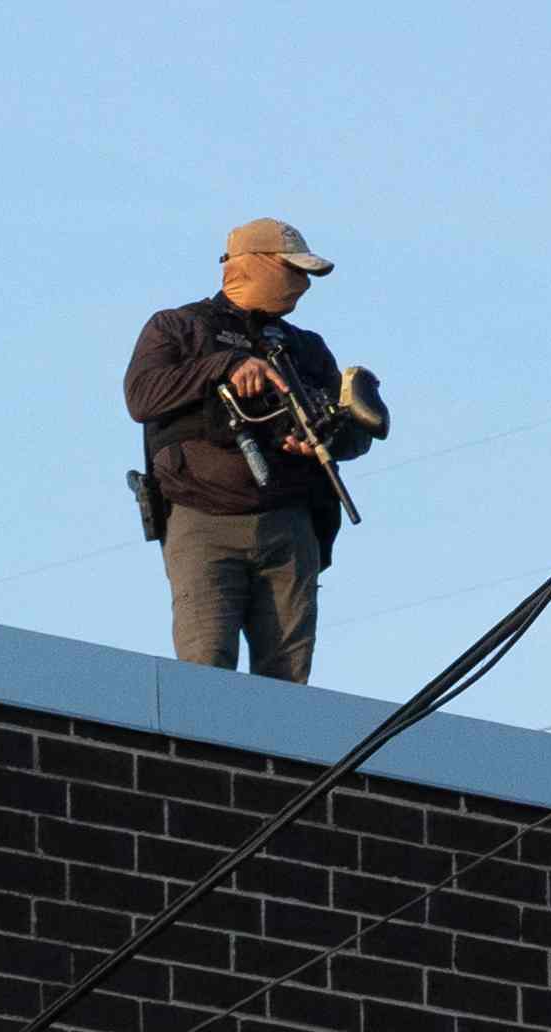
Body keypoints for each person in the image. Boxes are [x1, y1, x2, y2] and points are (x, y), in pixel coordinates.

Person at [125, 219, 389, 684]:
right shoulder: (178, 327)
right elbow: (141, 396)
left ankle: (283, 759)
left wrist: (321, 440)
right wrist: (224, 366)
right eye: (292, 269)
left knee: (287, 681)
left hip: (290, 528)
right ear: (256, 266)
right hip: (201, 520)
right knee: (205, 670)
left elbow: (353, 438)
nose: (302, 284)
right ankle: (201, 756)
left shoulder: (306, 347)